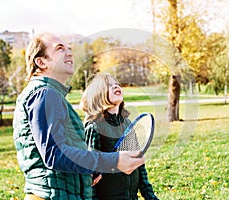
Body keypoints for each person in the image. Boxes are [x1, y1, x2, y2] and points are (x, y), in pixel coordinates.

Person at [12, 33, 144, 200]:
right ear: (41, 62)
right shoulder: (45, 94)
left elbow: (65, 151)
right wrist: (113, 161)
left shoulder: (52, 95)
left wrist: (89, 169)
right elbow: (54, 154)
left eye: (69, 48)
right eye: (60, 49)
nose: (69, 52)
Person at [80, 73, 158, 200]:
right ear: (97, 95)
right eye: (109, 85)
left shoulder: (127, 124)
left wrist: (149, 195)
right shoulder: (95, 127)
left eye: (117, 84)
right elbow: (92, 175)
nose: (116, 86)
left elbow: (138, 164)